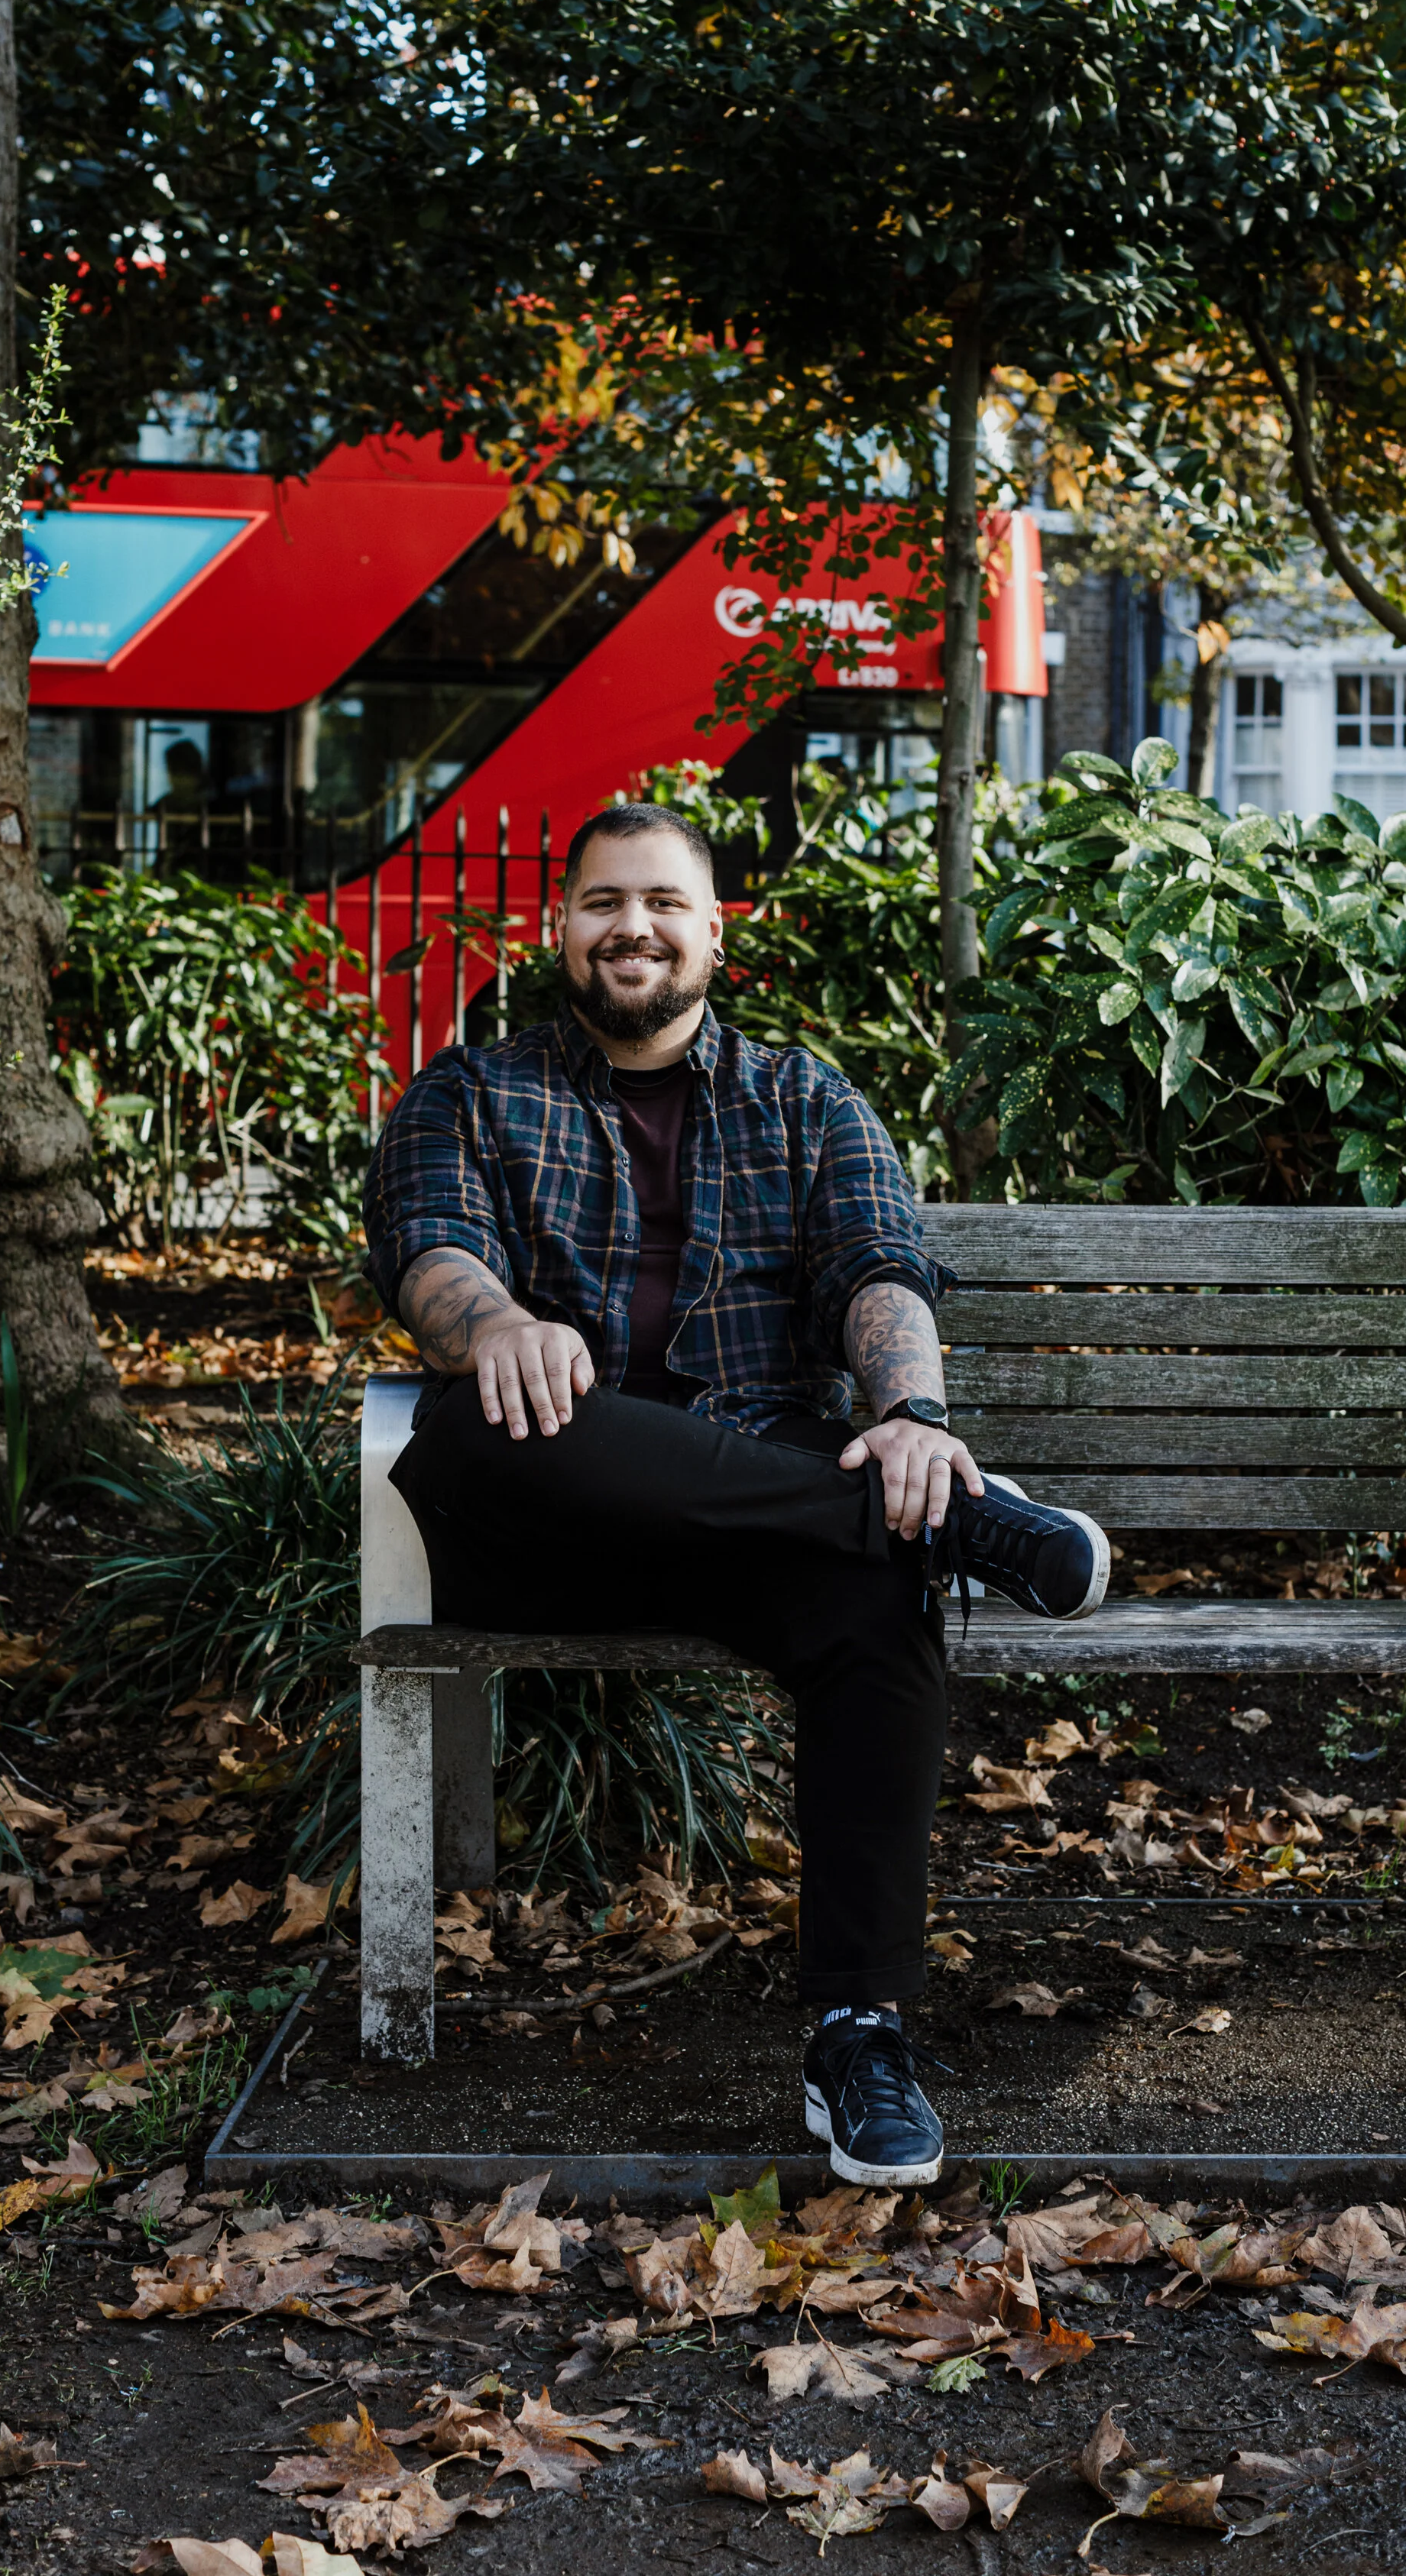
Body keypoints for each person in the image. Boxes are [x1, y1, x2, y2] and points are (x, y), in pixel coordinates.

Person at [362, 803, 1108, 2186]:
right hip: (546, 1522)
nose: (630, 927)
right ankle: (953, 1524)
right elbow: (429, 1248)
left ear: (714, 932)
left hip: (753, 1534)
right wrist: (498, 1325)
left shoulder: (804, 1099)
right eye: (602, 901)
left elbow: (880, 1267)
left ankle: (859, 2038)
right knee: (488, 1425)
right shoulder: (469, 1092)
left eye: (661, 902)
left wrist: (915, 1421)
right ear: (562, 929)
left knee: (878, 1588)